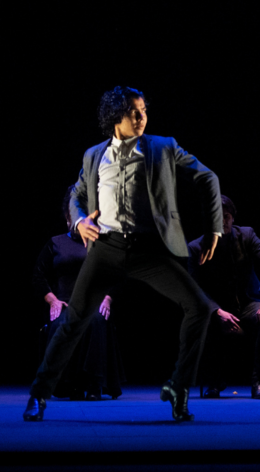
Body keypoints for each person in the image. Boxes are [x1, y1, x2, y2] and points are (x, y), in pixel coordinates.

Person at [24, 86, 222, 422]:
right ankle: (39, 394)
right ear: (116, 116)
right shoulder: (93, 155)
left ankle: (179, 388)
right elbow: (76, 195)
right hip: (107, 249)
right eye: (134, 110)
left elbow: (207, 177)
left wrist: (214, 228)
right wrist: (78, 222)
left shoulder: (163, 147)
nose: (142, 116)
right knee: (73, 322)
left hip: (150, 250)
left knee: (200, 308)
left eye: (144, 109)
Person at [32, 186, 124, 401]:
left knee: (94, 322)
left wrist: (108, 297)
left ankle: (93, 383)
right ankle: (65, 385)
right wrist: (52, 300)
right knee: (60, 325)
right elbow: (38, 276)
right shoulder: (56, 243)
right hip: (65, 302)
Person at [189, 195, 260, 399]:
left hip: (246, 304)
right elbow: (194, 290)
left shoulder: (246, 235)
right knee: (206, 320)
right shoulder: (196, 248)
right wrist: (217, 311)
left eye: (227, 216)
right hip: (215, 308)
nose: (223, 222)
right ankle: (213, 382)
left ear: (232, 217)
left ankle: (258, 383)